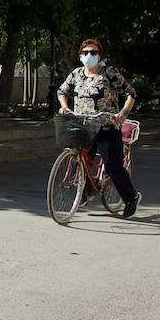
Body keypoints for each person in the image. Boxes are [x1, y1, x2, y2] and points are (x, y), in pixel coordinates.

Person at [56, 38, 142, 218]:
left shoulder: (109, 73)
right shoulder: (76, 74)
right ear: (80, 55)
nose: (89, 55)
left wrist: (123, 113)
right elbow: (62, 91)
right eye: (85, 52)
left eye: (93, 52)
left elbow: (131, 93)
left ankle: (131, 197)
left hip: (106, 127)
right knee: (78, 158)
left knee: (112, 166)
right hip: (83, 126)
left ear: (100, 55)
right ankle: (86, 190)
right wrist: (64, 106)